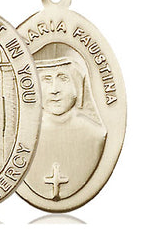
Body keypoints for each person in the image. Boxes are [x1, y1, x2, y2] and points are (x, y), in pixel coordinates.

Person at [24, 56, 107, 200]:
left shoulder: (94, 134)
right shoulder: (24, 138)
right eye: (46, 80)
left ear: (78, 87)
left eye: (63, 79)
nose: (54, 90)